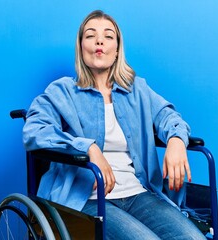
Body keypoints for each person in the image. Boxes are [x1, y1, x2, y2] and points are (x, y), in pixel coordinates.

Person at [23, 10, 206, 240]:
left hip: (138, 193)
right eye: (91, 35)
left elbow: (169, 117)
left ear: (117, 49)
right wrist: (88, 148)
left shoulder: (137, 89)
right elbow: (34, 131)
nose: (100, 40)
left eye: (108, 36)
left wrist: (177, 140)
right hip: (86, 199)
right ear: (81, 47)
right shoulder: (62, 92)